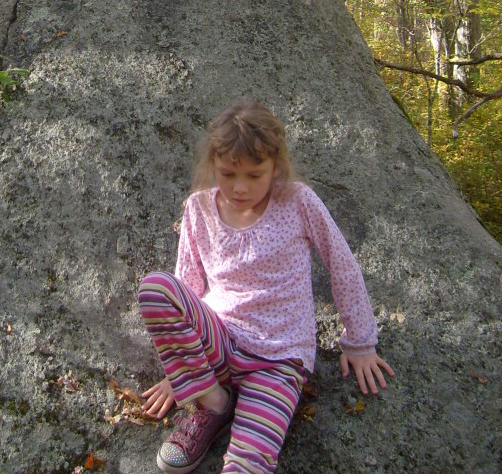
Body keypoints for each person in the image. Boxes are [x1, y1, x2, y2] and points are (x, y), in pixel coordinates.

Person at [139, 99, 394, 474]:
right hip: (218, 344)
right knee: (156, 289)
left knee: (247, 466)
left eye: (254, 175)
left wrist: (360, 341)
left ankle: (237, 421)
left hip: (277, 360)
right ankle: (211, 403)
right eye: (227, 174)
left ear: (276, 167)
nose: (239, 188)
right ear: (214, 166)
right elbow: (187, 285)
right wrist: (181, 370)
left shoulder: (298, 202)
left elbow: (341, 263)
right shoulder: (199, 209)